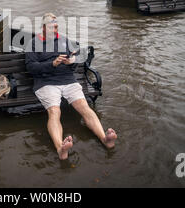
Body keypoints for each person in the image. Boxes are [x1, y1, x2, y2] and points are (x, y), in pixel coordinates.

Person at [25, 13, 117, 160]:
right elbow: (31, 68)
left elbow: (78, 55)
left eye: (56, 27)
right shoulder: (33, 43)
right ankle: (60, 148)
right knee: (55, 112)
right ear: (43, 27)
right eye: (51, 27)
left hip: (68, 80)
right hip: (46, 83)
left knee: (84, 107)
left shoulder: (64, 40)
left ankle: (104, 138)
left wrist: (72, 60)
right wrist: (52, 63)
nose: (54, 30)